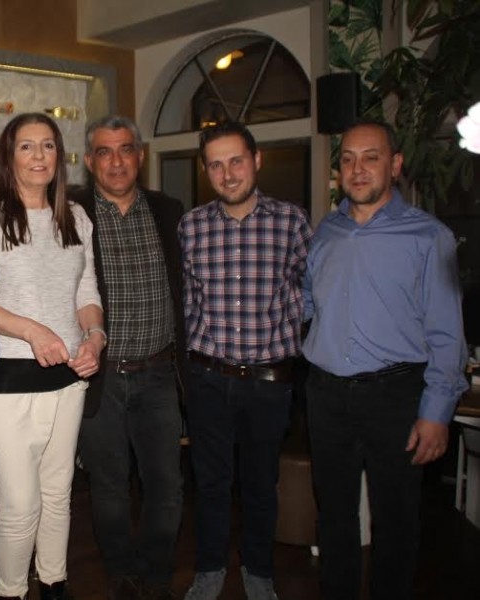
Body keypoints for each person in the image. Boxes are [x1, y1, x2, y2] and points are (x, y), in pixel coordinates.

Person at [302, 119, 468, 600]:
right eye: (348, 159)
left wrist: (436, 413)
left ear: (394, 165)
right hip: (326, 395)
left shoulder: (429, 237)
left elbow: (447, 334)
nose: (357, 169)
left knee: (395, 522)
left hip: (394, 397)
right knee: (334, 517)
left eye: (370, 157)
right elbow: (310, 303)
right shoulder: (325, 232)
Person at [0, 113, 104, 600]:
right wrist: (30, 330)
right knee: (20, 507)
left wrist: (95, 337)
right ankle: (10, 592)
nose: (39, 156)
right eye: (27, 146)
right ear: (9, 155)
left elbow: (86, 291)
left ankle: (53, 586)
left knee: (58, 497)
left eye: (48, 145)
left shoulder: (76, 216)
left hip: (68, 379)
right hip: (7, 382)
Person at [179, 121, 312, 600]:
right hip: (208, 377)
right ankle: (209, 570)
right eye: (216, 165)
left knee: (261, 484)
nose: (227, 173)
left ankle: (259, 572)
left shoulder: (292, 222)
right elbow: (187, 299)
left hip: (268, 382)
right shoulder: (191, 226)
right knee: (211, 484)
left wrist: (285, 323)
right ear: (206, 170)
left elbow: (311, 289)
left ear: (257, 160)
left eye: (236, 161)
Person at [70, 115, 185, 600]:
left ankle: (157, 574)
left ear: (140, 156)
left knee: (166, 484)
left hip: (159, 373)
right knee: (109, 485)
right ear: (89, 160)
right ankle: (121, 572)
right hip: (101, 378)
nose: (116, 161)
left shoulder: (168, 210)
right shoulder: (69, 210)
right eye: (104, 151)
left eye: (125, 150)